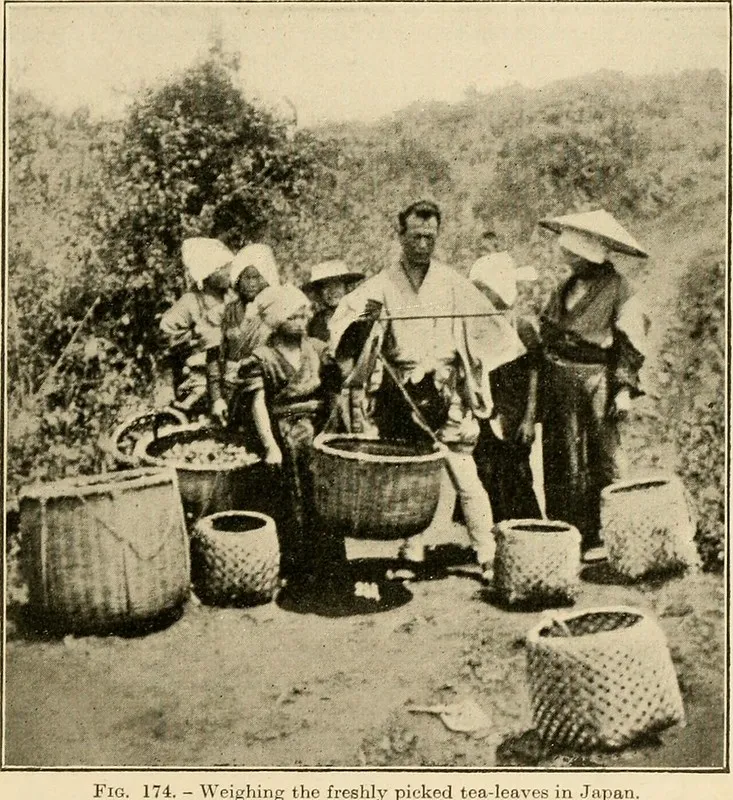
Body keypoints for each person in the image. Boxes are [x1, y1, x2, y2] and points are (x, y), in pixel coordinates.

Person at [329, 199, 525, 580]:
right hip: (401, 393)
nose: (423, 244)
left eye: (430, 237)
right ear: (400, 235)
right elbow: (344, 322)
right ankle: (411, 551)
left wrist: (466, 369)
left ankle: (486, 553)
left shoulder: (452, 282)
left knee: (464, 472)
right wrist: (363, 324)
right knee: (412, 479)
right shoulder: (383, 284)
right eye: (416, 236)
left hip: (445, 391)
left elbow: (491, 326)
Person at [538, 209, 650, 560]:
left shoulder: (620, 289)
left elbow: (631, 342)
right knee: (561, 456)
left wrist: (623, 389)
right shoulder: (567, 286)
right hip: (560, 377)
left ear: (589, 255)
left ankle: (615, 534)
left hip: (596, 376)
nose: (568, 261)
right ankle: (570, 534)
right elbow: (549, 327)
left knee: (604, 456)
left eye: (573, 255)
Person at [236, 284, 342, 586]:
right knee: (288, 500)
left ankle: (328, 567)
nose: (300, 322)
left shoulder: (318, 349)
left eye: (302, 316)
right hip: (283, 435)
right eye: (292, 317)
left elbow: (335, 389)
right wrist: (271, 446)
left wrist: (331, 428)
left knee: (322, 499)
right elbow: (258, 405)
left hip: (315, 433)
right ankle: (294, 569)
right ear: (276, 321)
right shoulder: (262, 358)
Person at [469, 251, 543, 522]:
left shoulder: (520, 327)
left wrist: (529, 417)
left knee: (517, 470)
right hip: (486, 410)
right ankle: (496, 529)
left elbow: (535, 373)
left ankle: (526, 528)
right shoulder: (476, 326)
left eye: (484, 291)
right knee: (486, 469)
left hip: (513, 411)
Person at [206, 243, 280, 427]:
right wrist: (216, 398)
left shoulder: (279, 310)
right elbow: (213, 356)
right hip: (232, 389)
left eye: (258, 277)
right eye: (247, 277)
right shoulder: (224, 313)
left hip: (269, 391)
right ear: (237, 279)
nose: (252, 283)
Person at [159, 237, 234, 416]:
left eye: (228, 267)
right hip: (198, 368)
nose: (228, 272)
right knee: (201, 387)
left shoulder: (231, 296)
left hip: (227, 361)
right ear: (207, 275)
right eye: (221, 269)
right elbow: (167, 337)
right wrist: (194, 338)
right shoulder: (190, 302)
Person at [303, 260, 364, 343]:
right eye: (326, 286)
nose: (332, 291)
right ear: (319, 292)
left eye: (337, 284)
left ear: (345, 288)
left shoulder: (358, 316)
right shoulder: (315, 322)